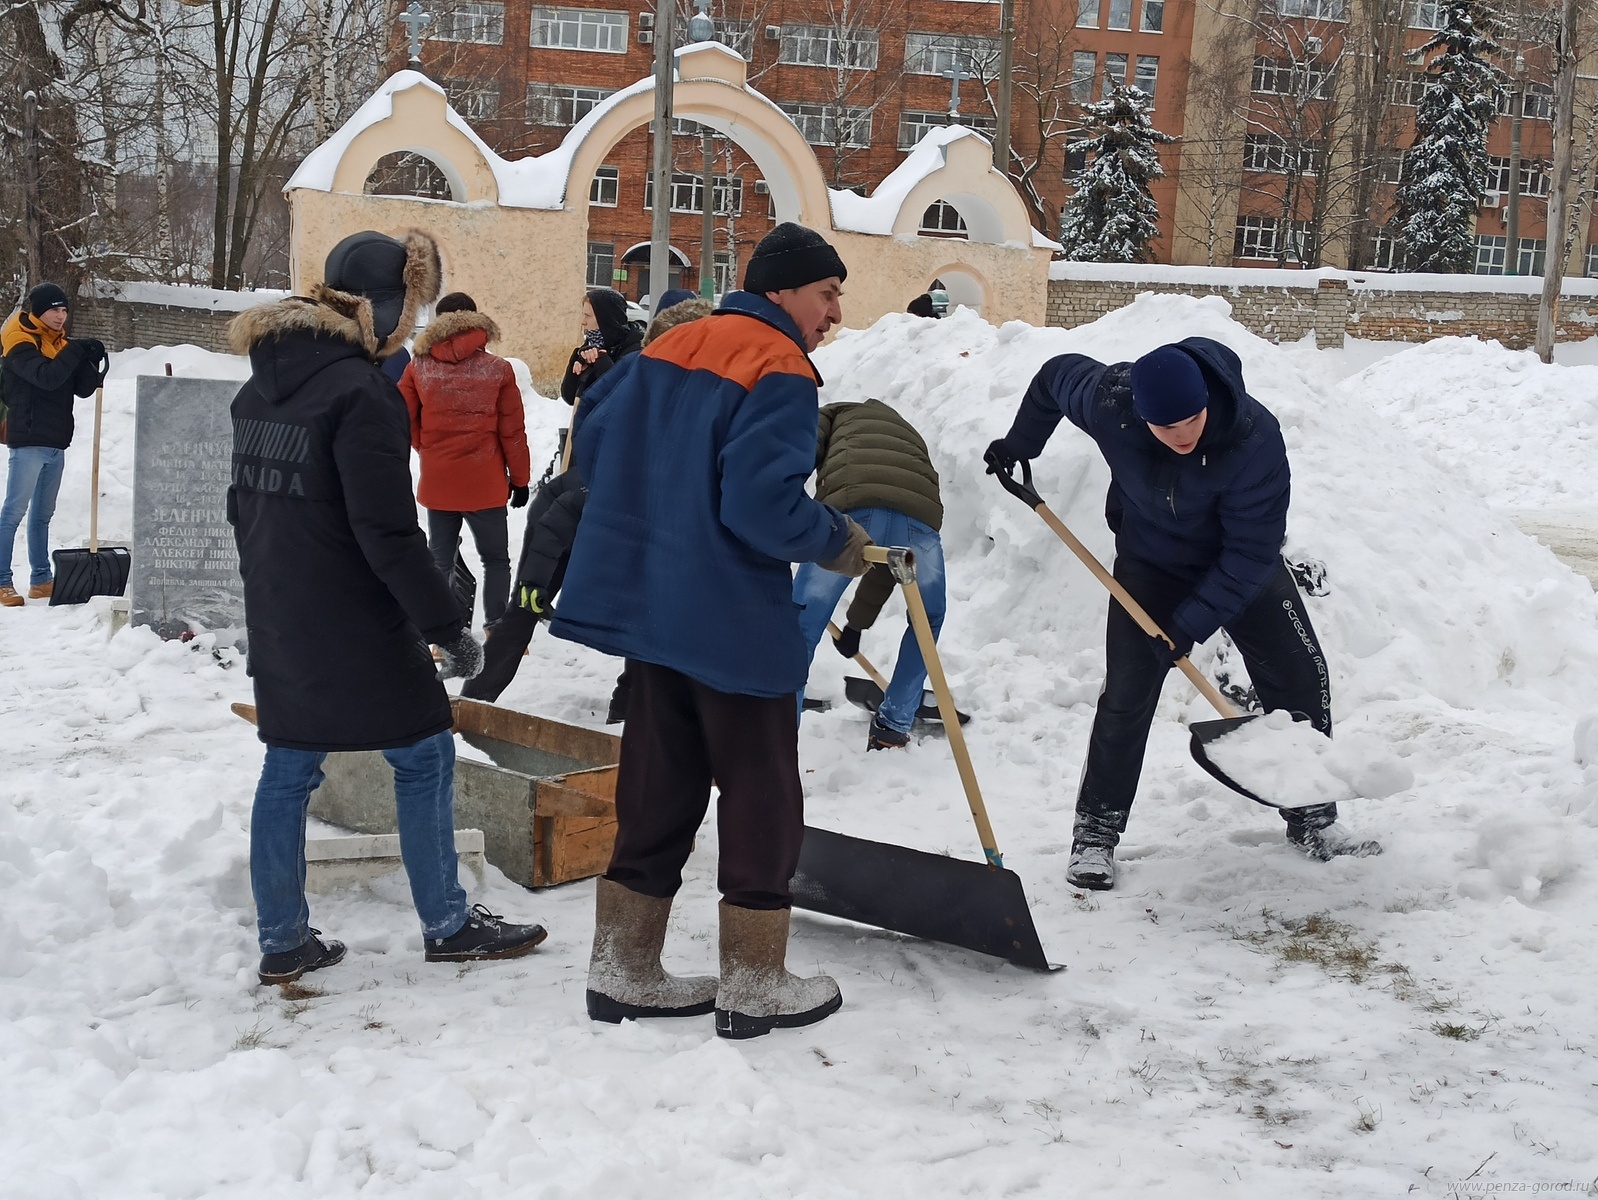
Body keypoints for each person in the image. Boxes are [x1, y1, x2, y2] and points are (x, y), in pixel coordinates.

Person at [552, 221, 870, 1039]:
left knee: (659, 779)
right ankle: (755, 981)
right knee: (762, 786)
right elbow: (761, 508)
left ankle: (622, 968)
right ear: (781, 291)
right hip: (728, 615)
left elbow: (590, 435)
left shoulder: (675, 342)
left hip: (650, 610)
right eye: (827, 293)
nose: (834, 311)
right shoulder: (781, 366)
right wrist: (835, 537)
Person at [228, 228, 547, 985]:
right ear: (386, 304)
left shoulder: (259, 385)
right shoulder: (360, 393)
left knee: (288, 765)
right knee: (425, 751)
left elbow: (241, 508)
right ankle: (447, 921)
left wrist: (270, 594)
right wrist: (446, 628)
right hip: (354, 617)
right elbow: (387, 532)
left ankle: (282, 938)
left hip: (281, 607)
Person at [985, 339, 1380, 891]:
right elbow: (1055, 376)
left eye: (1193, 418)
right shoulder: (1110, 403)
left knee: (1299, 679)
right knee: (1126, 694)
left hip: (1243, 562)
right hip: (1151, 566)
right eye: (1166, 426)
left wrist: (1189, 625)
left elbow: (1249, 555)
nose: (1183, 434)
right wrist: (1019, 443)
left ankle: (1312, 816)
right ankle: (1095, 833)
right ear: (1138, 414)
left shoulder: (1253, 439)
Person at [461, 295, 714, 705]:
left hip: (589, 497)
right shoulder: (661, 377)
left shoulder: (644, 367)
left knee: (639, 608)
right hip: (579, 507)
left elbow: (595, 422)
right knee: (533, 604)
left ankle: (626, 701)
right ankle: (474, 701)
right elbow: (587, 417)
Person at [793, 397, 946, 751]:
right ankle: (893, 726)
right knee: (928, 618)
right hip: (918, 524)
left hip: (849, 513)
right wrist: (855, 625)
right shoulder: (906, 431)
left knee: (800, 623)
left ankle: (777, 728)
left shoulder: (830, 415)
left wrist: (780, 520)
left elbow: (799, 454)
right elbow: (887, 561)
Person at [398, 292, 531, 627]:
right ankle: (496, 628)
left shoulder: (418, 368)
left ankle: (441, 632)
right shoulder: (498, 370)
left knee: (439, 560)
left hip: (439, 482)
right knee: (496, 560)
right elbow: (512, 431)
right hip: (485, 483)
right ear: (476, 322)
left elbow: (405, 419)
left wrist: (429, 449)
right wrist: (520, 479)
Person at [0, 283, 108, 606]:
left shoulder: (59, 344)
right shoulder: (19, 342)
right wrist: (76, 350)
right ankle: (3, 581)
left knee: (42, 515)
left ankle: (40, 579)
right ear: (38, 312)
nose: (61, 316)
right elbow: (46, 377)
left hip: (55, 442)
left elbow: (79, 388)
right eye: (55, 310)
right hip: (28, 439)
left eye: (64, 310)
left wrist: (92, 364)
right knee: (13, 513)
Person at [559, 287, 642, 405]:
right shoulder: (591, 346)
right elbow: (570, 397)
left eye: (588, 315)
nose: (583, 321)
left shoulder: (635, 352)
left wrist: (603, 364)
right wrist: (576, 362)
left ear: (606, 319)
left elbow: (626, 400)